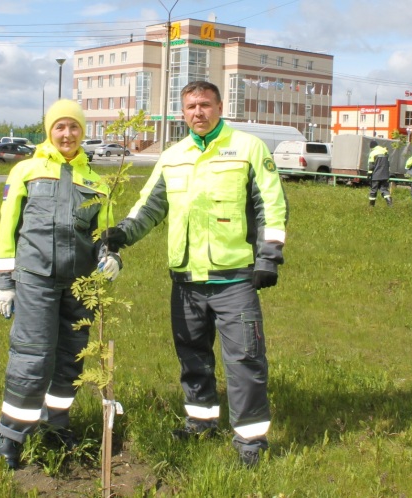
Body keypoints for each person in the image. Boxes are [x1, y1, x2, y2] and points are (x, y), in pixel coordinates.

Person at [102, 81, 288, 467]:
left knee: (245, 361)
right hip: (186, 283)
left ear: (220, 107)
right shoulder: (173, 156)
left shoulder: (248, 149)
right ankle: (201, 422)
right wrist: (121, 234)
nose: (198, 112)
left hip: (234, 279)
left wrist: (268, 257)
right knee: (193, 359)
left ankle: (250, 442)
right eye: (190, 106)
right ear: (182, 112)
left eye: (205, 105)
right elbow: (148, 208)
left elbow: (271, 205)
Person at [0, 99, 122, 469]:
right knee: (32, 357)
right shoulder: (27, 171)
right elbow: (8, 227)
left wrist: (111, 257)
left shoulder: (97, 182)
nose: (67, 134)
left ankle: (56, 423)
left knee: (70, 359)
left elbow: (104, 235)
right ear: (49, 131)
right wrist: (6, 281)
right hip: (35, 279)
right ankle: (12, 433)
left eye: (74, 127)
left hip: (80, 285)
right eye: (60, 127)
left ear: (84, 131)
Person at [367, 140, 392, 207]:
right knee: (384, 189)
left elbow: (371, 165)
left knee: (373, 190)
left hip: (376, 175)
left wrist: (369, 174)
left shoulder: (373, 153)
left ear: (372, 147)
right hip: (385, 175)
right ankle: (390, 203)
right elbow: (388, 164)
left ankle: (371, 206)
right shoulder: (385, 152)